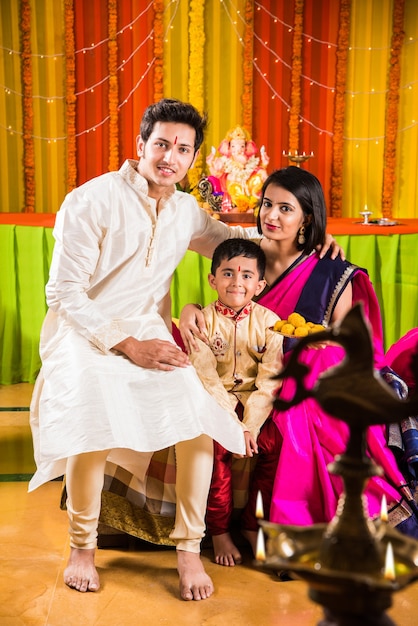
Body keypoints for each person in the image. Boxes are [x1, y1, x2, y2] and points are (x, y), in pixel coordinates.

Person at [29, 98, 264, 601]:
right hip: (82, 334)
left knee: (197, 418)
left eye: (183, 149)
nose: (170, 157)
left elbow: (237, 241)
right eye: (161, 144)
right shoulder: (90, 200)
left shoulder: (185, 211)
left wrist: (305, 234)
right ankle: (82, 547)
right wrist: (128, 345)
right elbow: (64, 294)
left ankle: (187, 549)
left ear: (192, 158)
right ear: (141, 145)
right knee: (92, 409)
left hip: (148, 336)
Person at [180, 166, 418, 558]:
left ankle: (296, 532)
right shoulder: (247, 258)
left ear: (307, 217)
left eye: (285, 209)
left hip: (301, 379)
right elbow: (219, 308)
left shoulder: (331, 272)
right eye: (267, 205)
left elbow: (350, 345)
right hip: (242, 371)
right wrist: (190, 309)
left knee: (306, 397)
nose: (271, 216)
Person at [185, 238, 283, 566]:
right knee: (216, 450)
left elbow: (270, 381)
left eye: (245, 276)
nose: (236, 282)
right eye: (227, 274)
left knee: (274, 445)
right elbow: (206, 376)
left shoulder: (272, 323)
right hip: (215, 400)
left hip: (256, 402)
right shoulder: (201, 321)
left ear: (260, 284)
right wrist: (232, 424)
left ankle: (253, 525)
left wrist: (251, 426)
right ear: (212, 280)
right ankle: (219, 530)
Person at [206, 125, 269, 212]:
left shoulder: (250, 161)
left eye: (242, 146)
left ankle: (253, 205)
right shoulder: (225, 161)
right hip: (233, 185)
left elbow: (255, 171)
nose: (238, 150)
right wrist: (210, 164)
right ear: (229, 148)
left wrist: (264, 165)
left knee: (260, 175)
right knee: (233, 181)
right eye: (234, 146)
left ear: (246, 148)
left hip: (248, 187)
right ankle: (243, 207)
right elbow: (216, 174)